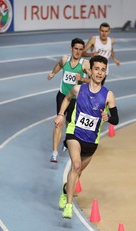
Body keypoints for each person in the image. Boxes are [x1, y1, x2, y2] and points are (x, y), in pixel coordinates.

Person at [55, 55, 119, 219]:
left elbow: (116, 119)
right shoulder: (78, 89)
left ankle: (65, 190)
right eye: (96, 69)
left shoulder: (108, 95)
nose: (99, 72)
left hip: (91, 141)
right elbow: (67, 98)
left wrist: (108, 118)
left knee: (77, 173)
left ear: (105, 73)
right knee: (75, 166)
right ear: (90, 71)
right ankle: (69, 206)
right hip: (74, 133)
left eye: (103, 70)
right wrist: (61, 115)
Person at [47, 38, 90, 163]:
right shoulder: (65, 59)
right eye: (75, 49)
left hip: (76, 99)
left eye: (81, 49)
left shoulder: (85, 64)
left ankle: (66, 141)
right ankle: (54, 152)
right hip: (62, 96)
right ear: (71, 49)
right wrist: (53, 73)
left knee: (69, 123)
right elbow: (59, 65)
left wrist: (82, 78)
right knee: (58, 122)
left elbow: (93, 79)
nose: (78, 51)